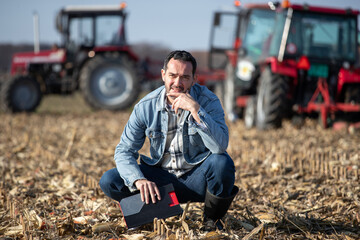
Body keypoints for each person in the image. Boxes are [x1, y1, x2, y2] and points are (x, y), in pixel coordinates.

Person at [99, 50, 238, 230]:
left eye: (185, 77)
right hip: (161, 182)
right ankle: (162, 210)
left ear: (195, 79)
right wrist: (138, 180)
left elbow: (220, 146)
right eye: (172, 75)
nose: (177, 83)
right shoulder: (145, 107)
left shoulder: (208, 101)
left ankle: (212, 222)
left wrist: (196, 111)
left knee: (222, 163)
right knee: (110, 179)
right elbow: (124, 151)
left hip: (197, 179)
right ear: (163, 75)